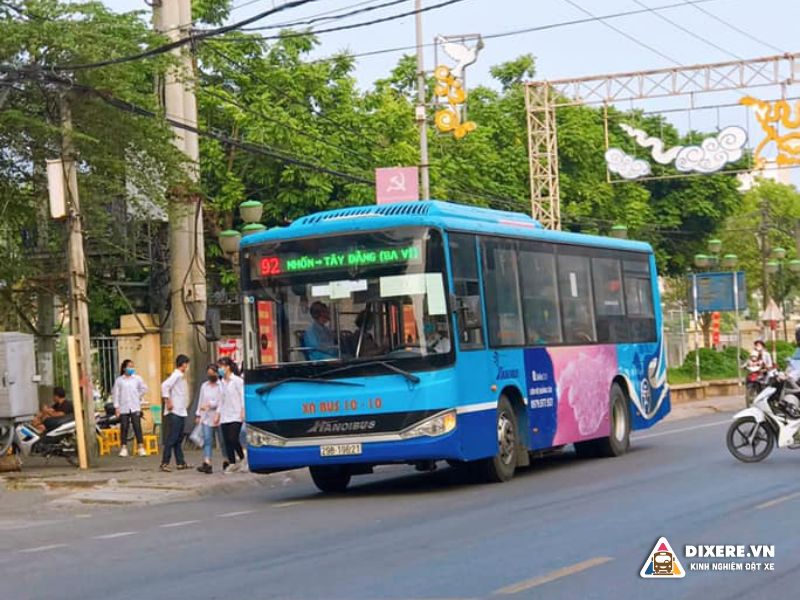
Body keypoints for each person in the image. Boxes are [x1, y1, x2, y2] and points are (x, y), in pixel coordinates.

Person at [160, 354, 192, 472]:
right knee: (172, 438)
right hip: (175, 411)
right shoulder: (176, 375)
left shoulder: (181, 376)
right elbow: (164, 386)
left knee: (178, 438)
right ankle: (165, 462)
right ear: (183, 364)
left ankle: (180, 462)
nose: (187, 366)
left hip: (181, 410)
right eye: (187, 364)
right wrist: (167, 401)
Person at [112, 359, 148, 457]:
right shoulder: (119, 380)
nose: (131, 368)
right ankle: (124, 447)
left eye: (132, 366)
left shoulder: (137, 379)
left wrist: (138, 396)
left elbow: (144, 388)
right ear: (124, 368)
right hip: (124, 407)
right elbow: (116, 394)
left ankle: (140, 447)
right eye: (129, 366)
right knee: (124, 426)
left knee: (137, 426)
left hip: (135, 406)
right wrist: (116, 407)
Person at [216, 356, 246, 473]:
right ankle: (232, 462)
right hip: (224, 414)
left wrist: (243, 410)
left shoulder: (237, 381)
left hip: (236, 414)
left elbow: (242, 396)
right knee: (226, 441)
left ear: (228, 367)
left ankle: (242, 457)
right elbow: (220, 399)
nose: (220, 369)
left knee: (233, 438)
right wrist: (218, 413)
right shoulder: (221, 382)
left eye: (221, 367)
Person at [195, 363, 223, 474]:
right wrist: (198, 414)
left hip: (219, 416)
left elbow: (222, 401)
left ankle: (227, 459)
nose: (210, 375)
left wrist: (211, 405)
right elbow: (201, 400)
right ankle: (207, 462)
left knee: (223, 441)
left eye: (213, 373)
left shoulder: (221, 386)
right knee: (207, 439)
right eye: (209, 373)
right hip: (206, 417)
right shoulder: (204, 386)